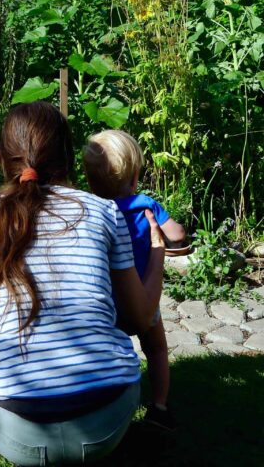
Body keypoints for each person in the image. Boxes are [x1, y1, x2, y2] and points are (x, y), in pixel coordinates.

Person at [0, 101, 166, 466]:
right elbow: (139, 319)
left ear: (7, 157)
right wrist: (157, 254)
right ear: (67, 155)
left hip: (15, 433)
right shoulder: (102, 211)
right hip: (104, 423)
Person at [83, 129, 185, 431]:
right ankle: (159, 406)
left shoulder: (92, 209)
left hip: (106, 303)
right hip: (143, 296)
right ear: (135, 175)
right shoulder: (145, 205)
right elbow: (177, 235)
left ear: (90, 180)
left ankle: (98, 401)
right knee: (156, 349)